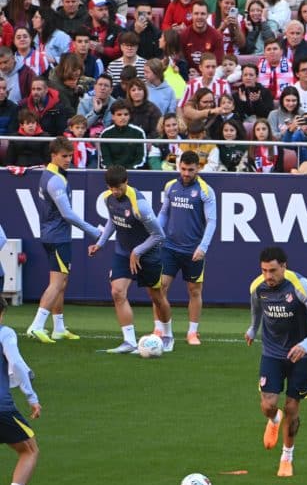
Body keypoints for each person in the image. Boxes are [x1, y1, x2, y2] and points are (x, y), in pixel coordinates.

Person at [246, 246, 307, 477]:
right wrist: (253, 329)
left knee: (292, 407)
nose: (268, 276)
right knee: (268, 405)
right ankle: (275, 419)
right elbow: (256, 310)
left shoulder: (300, 286)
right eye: (264, 270)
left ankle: (286, 457)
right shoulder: (257, 287)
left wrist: (305, 345)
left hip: (302, 355)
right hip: (272, 353)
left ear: (284, 266)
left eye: (273, 270)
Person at [24, 137, 102, 344]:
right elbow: (67, 214)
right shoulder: (55, 180)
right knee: (57, 283)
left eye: (70, 156)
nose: (68, 160)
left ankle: (58, 328)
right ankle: (36, 326)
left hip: (53, 235)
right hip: (57, 237)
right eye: (64, 156)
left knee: (62, 282)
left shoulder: (51, 175)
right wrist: (94, 231)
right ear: (54, 155)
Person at [88, 165, 173, 354]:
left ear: (126, 182)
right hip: (123, 253)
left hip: (148, 254)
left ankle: (168, 335)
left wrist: (138, 251)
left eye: (118, 187)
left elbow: (159, 235)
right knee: (117, 292)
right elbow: (113, 221)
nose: (115, 191)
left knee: (157, 298)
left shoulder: (139, 205)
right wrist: (100, 243)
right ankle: (129, 342)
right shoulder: (107, 198)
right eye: (111, 188)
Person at [157, 151, 217, 347]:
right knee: (159, 288)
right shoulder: (170, 186)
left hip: (193, 250)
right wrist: (155, 234)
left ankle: (192, 332)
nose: (186, 173)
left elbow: (212, 221)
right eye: (183, 169)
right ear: (179, 166)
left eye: (190, 170)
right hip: (169, 247)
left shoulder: (205, 191)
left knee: (194, 291)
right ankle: (159, 329)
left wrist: (203, 247)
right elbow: (164, 213)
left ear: (198, 168)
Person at [0, 296, 42, 485]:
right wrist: (31, 397)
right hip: (1, 407)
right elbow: (15, 363)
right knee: (29, 450)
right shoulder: (5, 333)